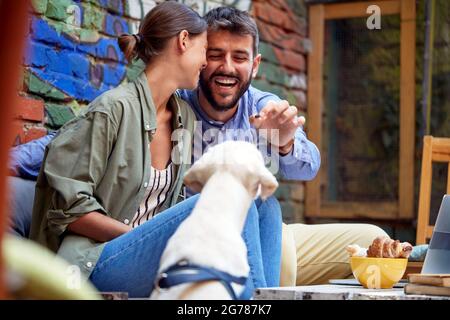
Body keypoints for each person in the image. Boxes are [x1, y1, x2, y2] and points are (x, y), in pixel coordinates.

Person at [27, 2, 281, 299]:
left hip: (149, 257)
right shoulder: (113, 110)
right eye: (205, 50)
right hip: (94, 262)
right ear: (184, 42)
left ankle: (264, 300)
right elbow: (69, 211)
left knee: (263, 202)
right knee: (235, 190)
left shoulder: (183, 116)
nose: (205, 63)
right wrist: (141, 238)